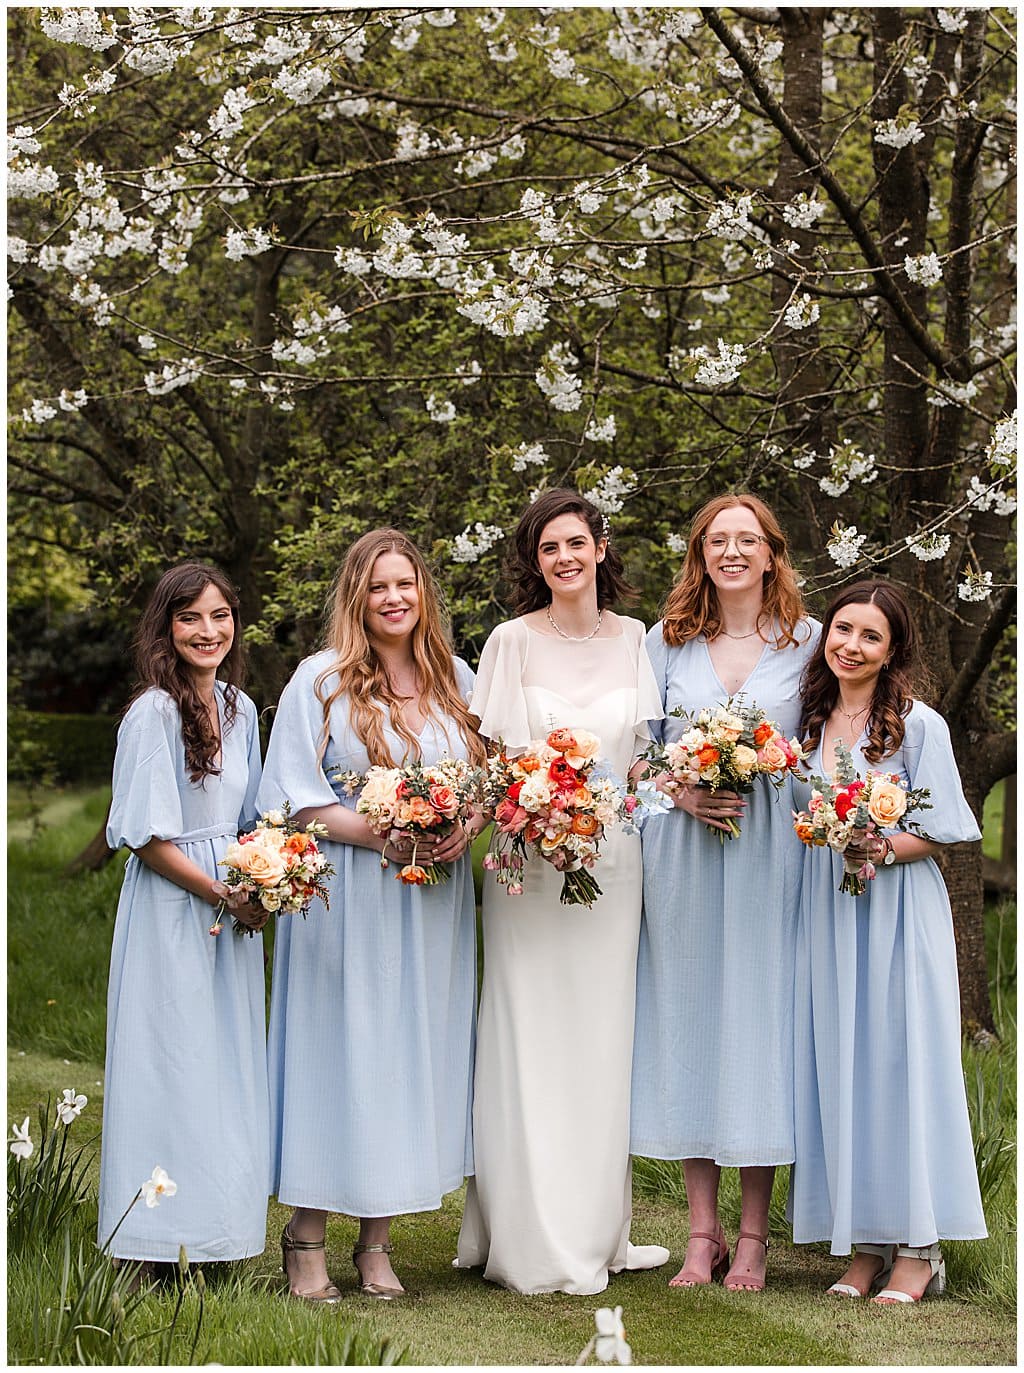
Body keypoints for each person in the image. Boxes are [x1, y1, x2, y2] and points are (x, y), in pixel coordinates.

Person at [260, 528, 484, 1303]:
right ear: (357, 596)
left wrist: (464, 823)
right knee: (338, 1054)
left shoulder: (456, 675)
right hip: (348, 900)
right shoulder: (318, 681)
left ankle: (378, 1240)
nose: (395, 598)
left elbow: (481, 783)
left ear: (425, 593)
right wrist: (378, 833)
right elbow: (289, 794)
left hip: (432, 907)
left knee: (408, 1056)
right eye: (379, 586)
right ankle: (307, 1236)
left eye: (407, 584)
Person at [456, 488, 669, 1295]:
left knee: (601, 1036)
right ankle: (527, 1236)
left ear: (602, 546)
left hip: (613, 863)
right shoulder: (510, 641)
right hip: (528, 858)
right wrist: (520, 812)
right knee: (527, 1028)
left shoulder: (636, 639)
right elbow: (495, 761)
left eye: (577, 542)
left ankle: (600, 1231)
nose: (565, 558)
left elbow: (643, 762)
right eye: (549, 548)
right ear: (534, 560)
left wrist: (645, 802)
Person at [630, 493, 820, 1292]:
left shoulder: (811, 641)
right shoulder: (664, 642)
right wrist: (678, 790)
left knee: (757, 1028)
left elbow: (831, 742)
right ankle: (698, 1233)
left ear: (773, 552)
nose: (733, 551)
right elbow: (635, 757)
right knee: (690, 1026)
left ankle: (753, 1235)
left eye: (749, 539)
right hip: (685, 851)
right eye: (718, 540)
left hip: (771, 855)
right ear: (699, 553)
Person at [789, 580, 986, 1303]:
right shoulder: (806, 725)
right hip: (830, 917)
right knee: (845, 1068)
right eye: (843, 629)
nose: (851, 645)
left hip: (898, 913)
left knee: (904, 1068)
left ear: (893, 648)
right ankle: (865, 1244)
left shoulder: (916, 724)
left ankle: (920, 1249)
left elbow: (941, 832)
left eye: (871, 636)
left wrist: (874, 847)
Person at [98, 563, 269, 1273]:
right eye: (191, 617)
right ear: (167, 627)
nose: (208, 631)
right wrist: (218, 889)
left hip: (231, 912)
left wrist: (265, 879)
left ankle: (217, 1238)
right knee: (171, 1066)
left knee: (226, 1069)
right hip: (175, 909)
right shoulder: (153, 714)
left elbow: (255, 819)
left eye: (220, 615)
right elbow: (146, 836)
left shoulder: (241, 708)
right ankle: (153, 1246)